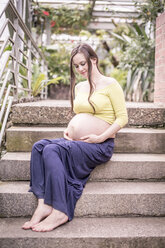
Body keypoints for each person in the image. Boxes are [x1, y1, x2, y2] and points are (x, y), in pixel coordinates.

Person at [22, 43, 128, 232]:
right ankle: (44, 203)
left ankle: (60, 210)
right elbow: (81, 114)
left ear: (93, 60)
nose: (80, 69)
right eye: (76, 66)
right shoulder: (79, 87)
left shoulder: (111, 84)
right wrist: (70, 129)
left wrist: (100, 137)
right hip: (77, 142)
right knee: (39, 147)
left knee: (51, 149)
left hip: (100, 145)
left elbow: (122, 118)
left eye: (83, 63)